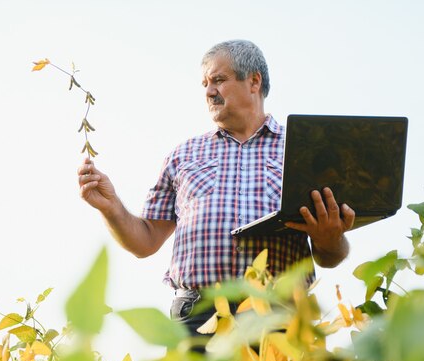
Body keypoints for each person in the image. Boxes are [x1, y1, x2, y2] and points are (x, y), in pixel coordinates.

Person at [77, 39, 355, 339]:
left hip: (280, 320)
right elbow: (145, 242)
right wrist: (111, 207)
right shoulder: (183, 155)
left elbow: (331, 255)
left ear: (253, 81)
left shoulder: (305, 152)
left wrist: (331, 238)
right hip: (196, 320)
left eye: (219, 80)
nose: (209, 91)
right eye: (205, 84)